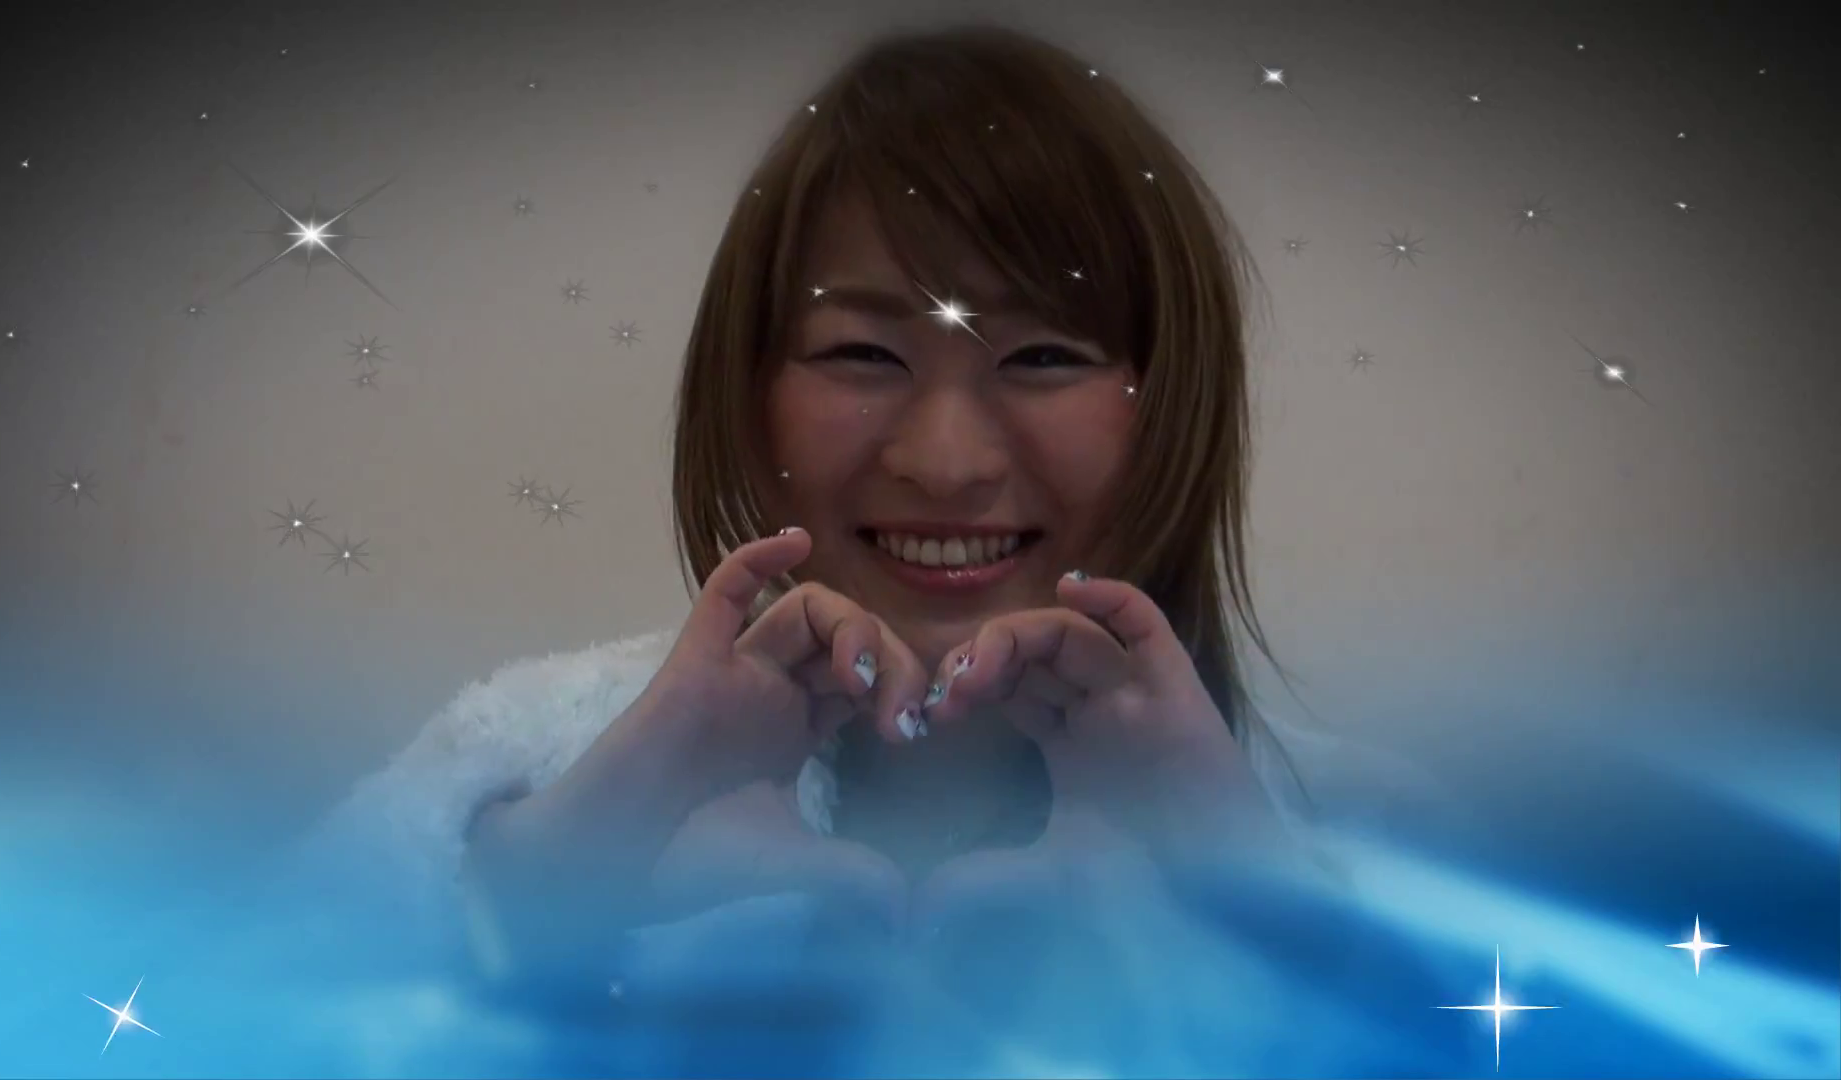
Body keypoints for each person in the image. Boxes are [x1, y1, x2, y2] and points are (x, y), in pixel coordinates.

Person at [292, 20, 1317, 1001]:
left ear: (1171, 404)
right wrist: (546, 881)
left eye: (1044, 356)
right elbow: (250, 980)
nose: (944, 465)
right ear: (750, 399)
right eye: (862, 355)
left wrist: (1260, 905)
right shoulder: (551, 757)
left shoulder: (1315, 812)